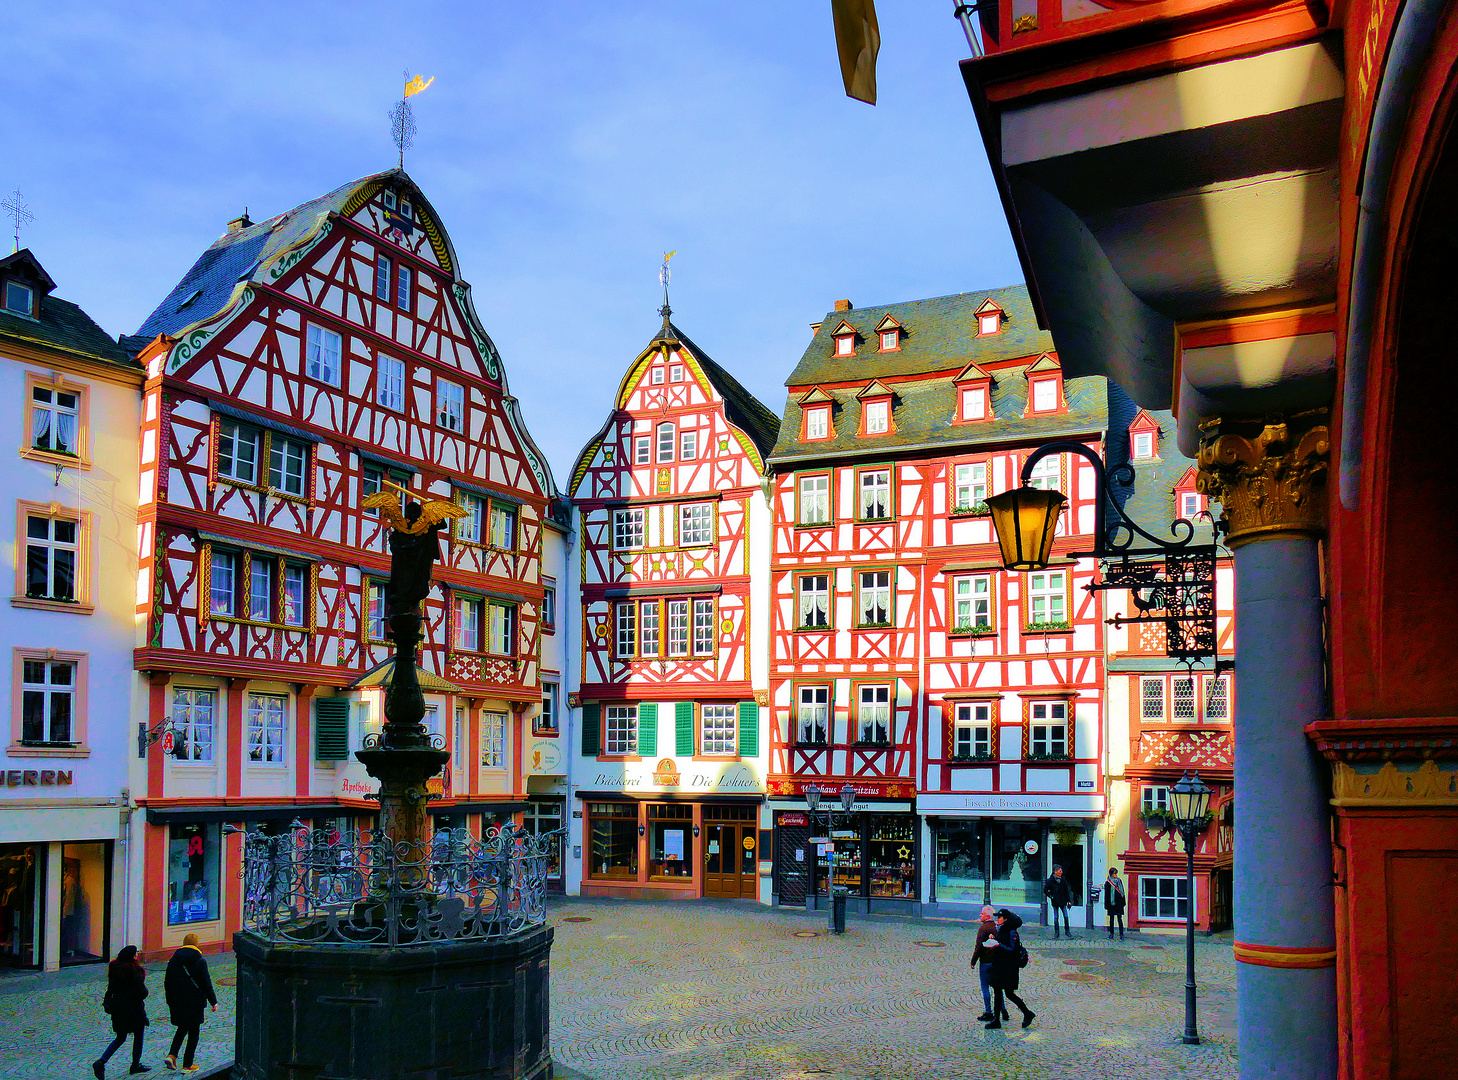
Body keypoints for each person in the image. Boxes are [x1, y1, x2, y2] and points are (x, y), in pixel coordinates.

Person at [162, 933, 217, 1073]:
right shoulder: (199, 960)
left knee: (182, 1027)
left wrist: (170, 1001)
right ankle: (187, 1065)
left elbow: (167, 982)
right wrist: (213, 1002)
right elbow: (206, 983)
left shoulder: (174, 959)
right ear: (196, 944)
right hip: (194, 1001)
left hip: (177, 1001)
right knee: (193, 1032)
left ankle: (172, 1054)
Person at [93, 945, 150, 1077]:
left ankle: (101, 1061)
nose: (137, 956)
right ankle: (135, 1064)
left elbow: (111, 989)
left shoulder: (115, 969)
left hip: (118, 1010)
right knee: (138, 1036)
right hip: (134, 1010)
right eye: (136, 954)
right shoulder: (134, 971)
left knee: (120, 1037)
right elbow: (142, 992)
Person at [982, 909, 1036, 1029]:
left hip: (1008, 968)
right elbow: (1003, 945)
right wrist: (994, 941)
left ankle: (1027, 1013)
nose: (997, 919)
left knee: (1009, 993)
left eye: (1000, 917)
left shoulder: (1012, 932)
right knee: (997, 992)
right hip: (1000, 966)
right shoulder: (1002, 930)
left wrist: (998, 945)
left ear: (1005, 919)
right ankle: (996, 1020)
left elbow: (1013, 950)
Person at [970, 905, 1008, 1023]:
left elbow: (979, 947)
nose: (980, 915)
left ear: (987, 916)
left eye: (982, 914)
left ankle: (988, 1012)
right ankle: (1003, 1010)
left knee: (985, 987)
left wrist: (973, 961)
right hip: (996, 961)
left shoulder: (983, 929)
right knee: (997, 987)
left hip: (986, 962)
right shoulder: (997, 927)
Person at [1044, 863, 1075, 939]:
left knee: (1066, 916)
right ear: (1055, 872)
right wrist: (1051, 896)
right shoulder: (1050, 881)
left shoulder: (1063, 880)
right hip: (1055, 901)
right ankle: (1056, 932)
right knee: (1056, 917)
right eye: (1060, 871)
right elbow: (1045, 890)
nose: (1061, 872)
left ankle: (1067, 931)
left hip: (1063, 901)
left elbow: (1066, 891)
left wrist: (1068, 900)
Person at [1103, 867, 1127, 940]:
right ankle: (1111, 934)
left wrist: (1123, 902)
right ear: (1111, 874)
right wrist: (1106, 904)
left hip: (1119, 903)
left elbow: (1122, 891)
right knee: (1111, 919)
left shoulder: (1119, 881)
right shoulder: (1108, 883)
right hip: (1111, 903)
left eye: (1116, 873)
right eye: (1114, 873)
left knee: (1120, 919)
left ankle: (1121, 934)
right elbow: (1106, 895)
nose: (1116, 875)